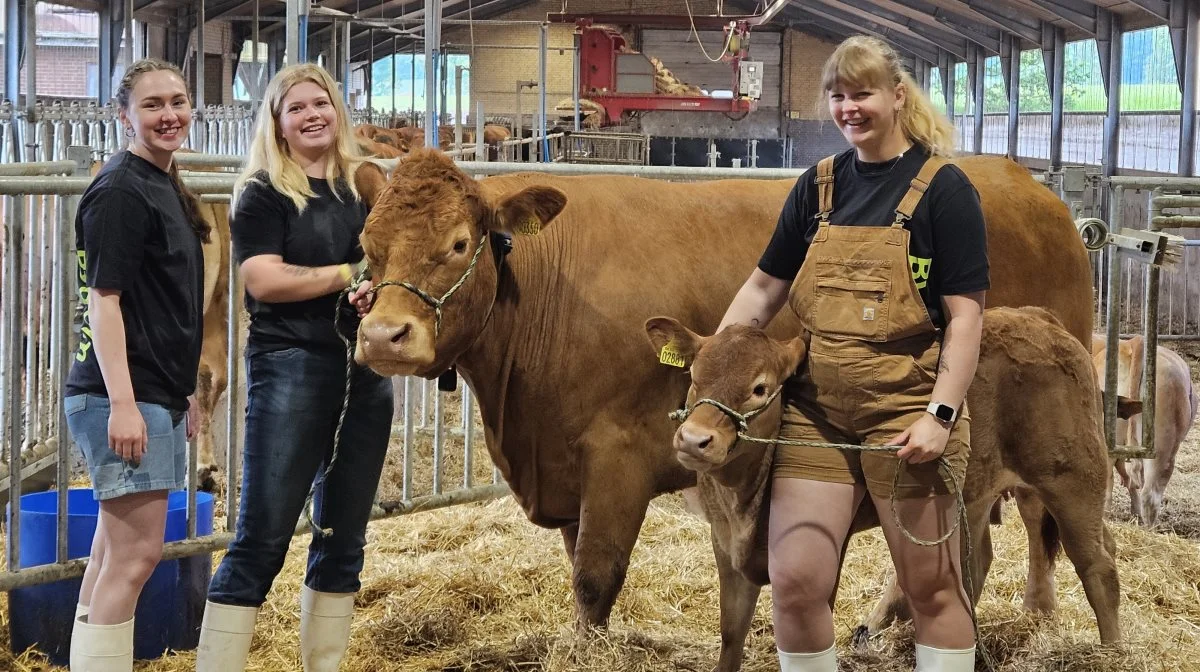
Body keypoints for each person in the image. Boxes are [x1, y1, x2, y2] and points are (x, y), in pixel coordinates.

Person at [717, 36, 989, 672]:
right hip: (818, 413)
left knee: (932, 588)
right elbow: (763, 287)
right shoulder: (818, 187)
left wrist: (940, 415)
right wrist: (718, 362)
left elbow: (966, 317)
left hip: (906, 409)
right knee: (795, 584)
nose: (849, 107)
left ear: (897, 96)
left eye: (862, 93)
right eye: (838, 96)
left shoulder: (944, 191)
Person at [195, 63, 393, 672]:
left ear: (337, 111)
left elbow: (380, 264)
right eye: (297, 108)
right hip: (291, 365)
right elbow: (262, 278)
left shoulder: (362, 188)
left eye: (321, 104)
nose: (312, 116)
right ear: (278, 124)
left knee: (343, 538)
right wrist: (346, 276)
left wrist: (369, 292)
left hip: (363, 372)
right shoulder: (264, 191)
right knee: (262, 536)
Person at [63, 58, 209, 670]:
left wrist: (186, 392)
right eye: (153, 105)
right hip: (120, 394)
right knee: (136, 556)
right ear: (124, 115)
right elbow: (105, 300)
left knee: (111, 553)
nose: (170, 114)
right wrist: (124, 402)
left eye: (177, 101)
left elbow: (165, 300)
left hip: (153, 391)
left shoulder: (162, 182)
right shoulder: (122, 188)